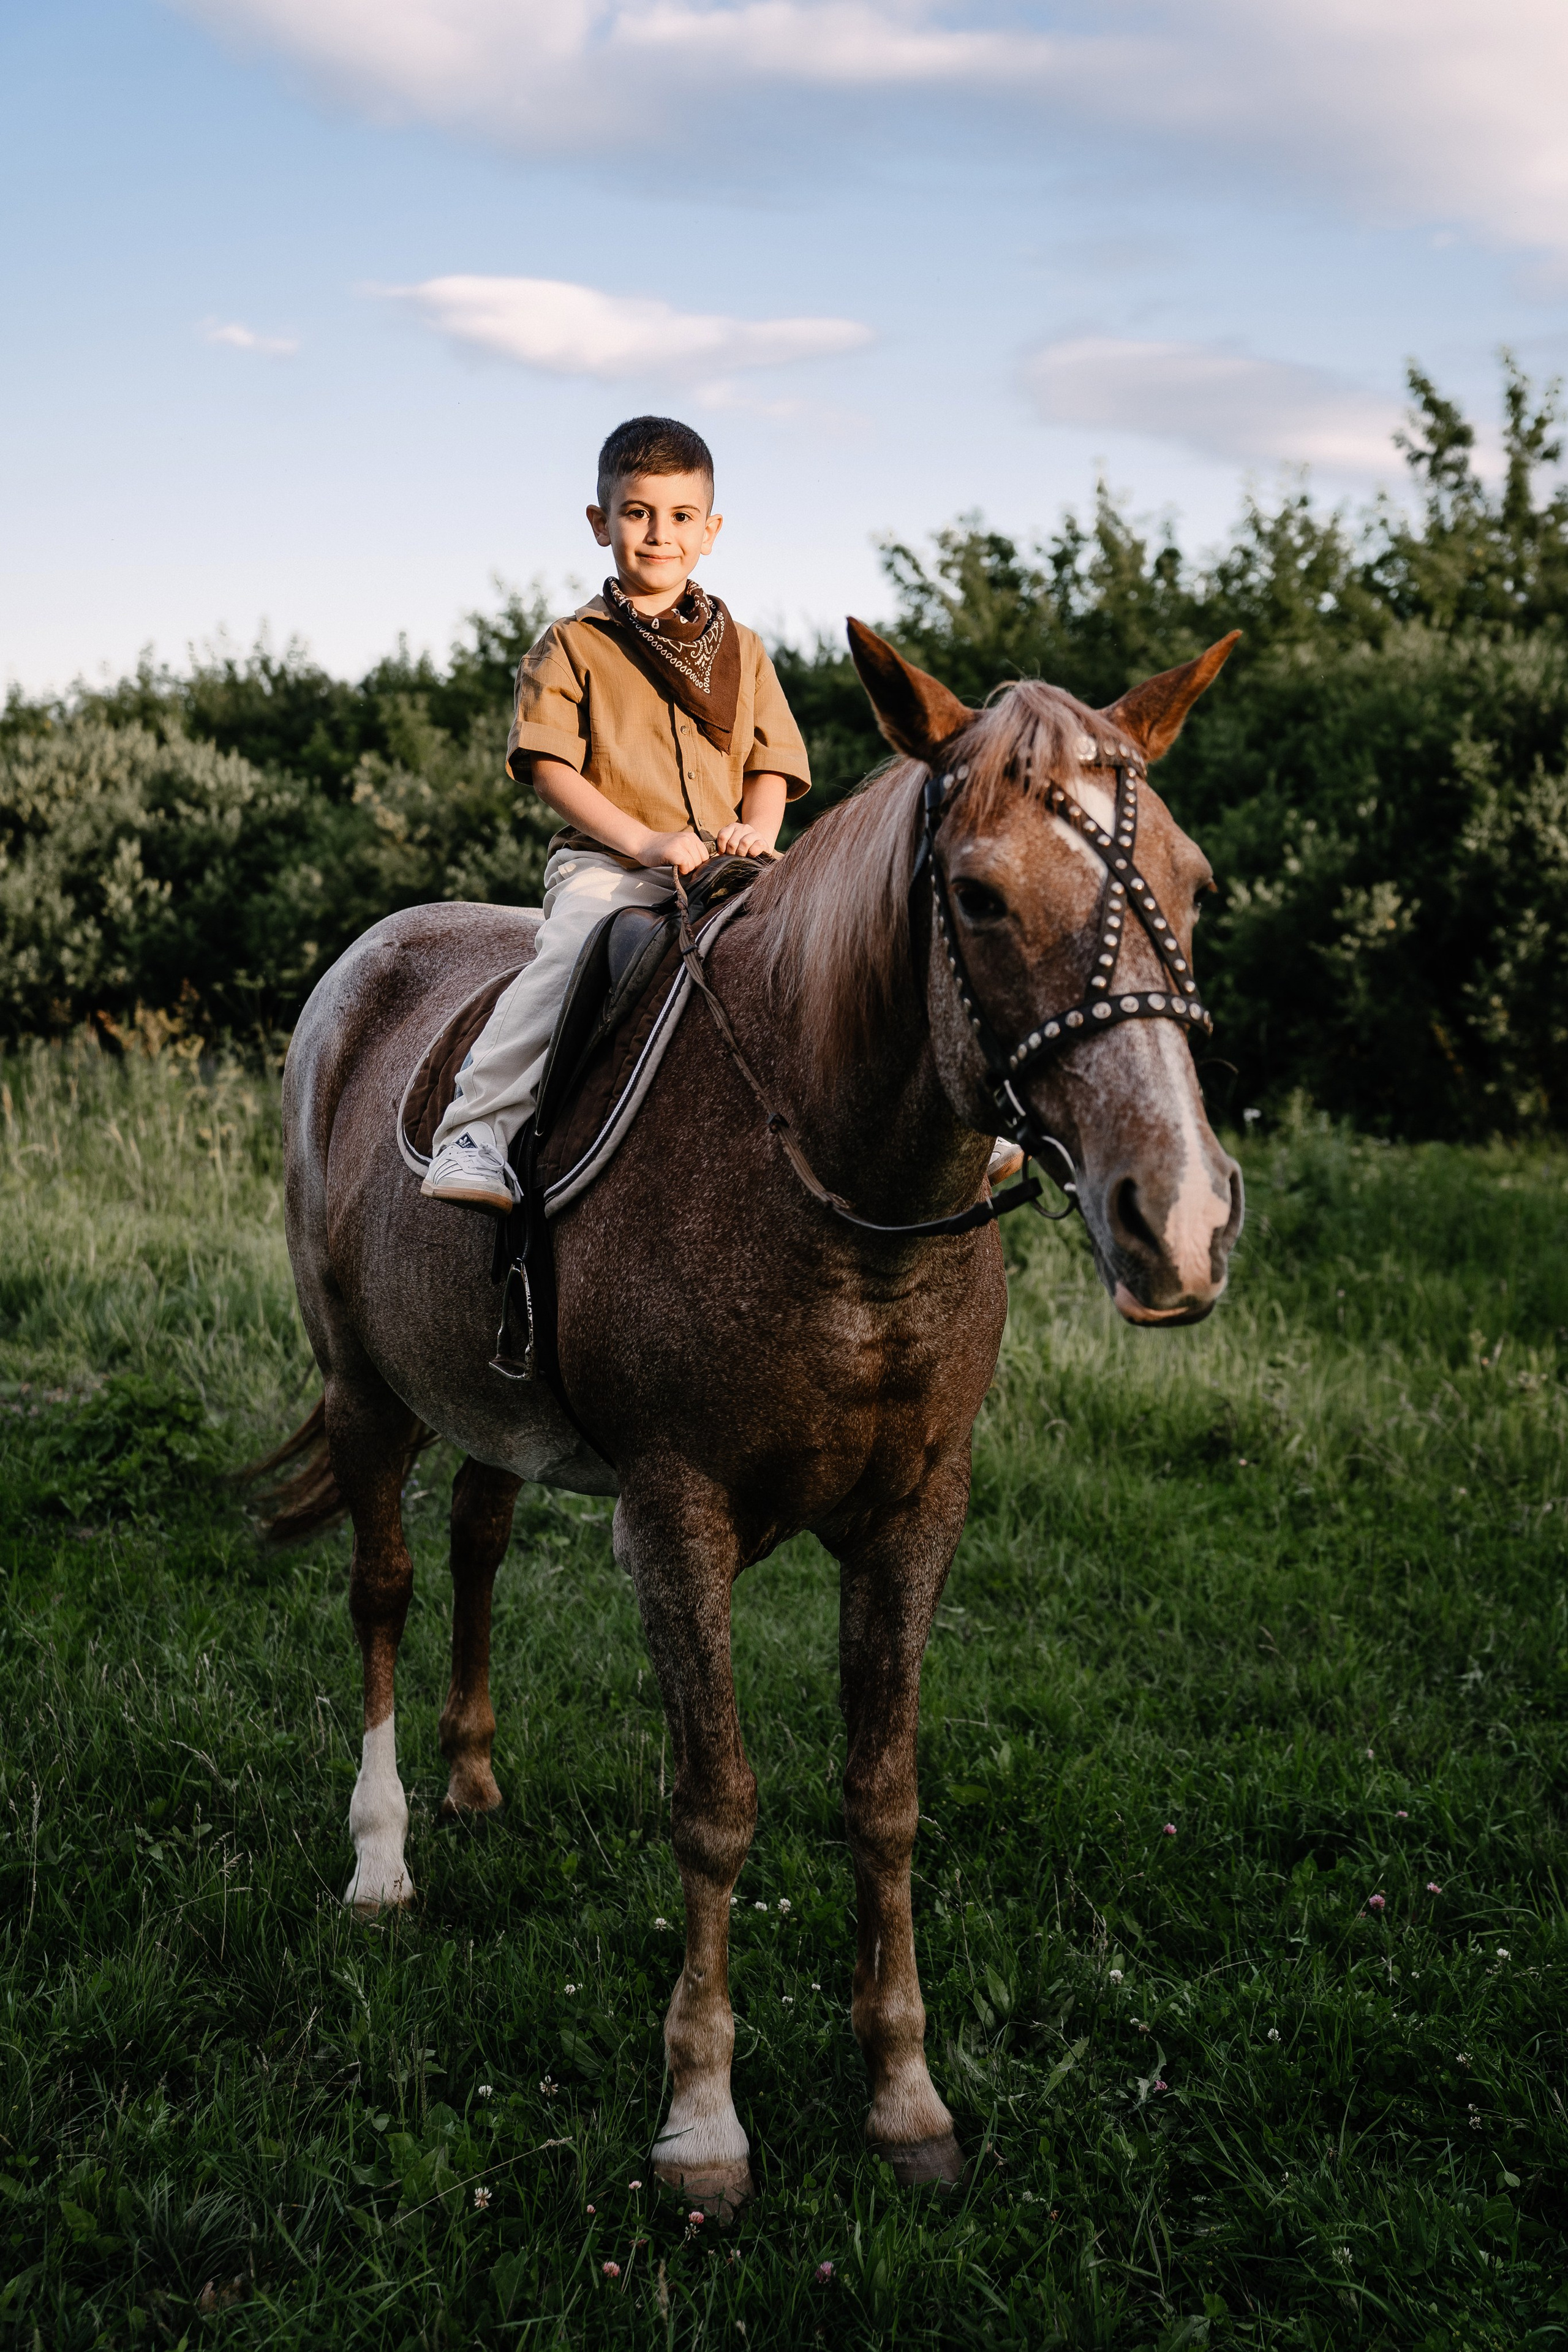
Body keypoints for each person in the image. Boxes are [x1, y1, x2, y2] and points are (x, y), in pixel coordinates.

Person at [423, 413, 812, 1212]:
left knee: (840, 942)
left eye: (679, 517)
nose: (658, 534)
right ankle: (478, 1128)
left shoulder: (744, 650)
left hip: (727, 862)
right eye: (637, 513)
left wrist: (759, 834)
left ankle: (929, 1126)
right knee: (569, 949)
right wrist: (643, 840)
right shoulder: (572, 645)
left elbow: (772, 765)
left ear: (711, 530)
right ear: (601, 524)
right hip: (610, 861)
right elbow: (548, 765)